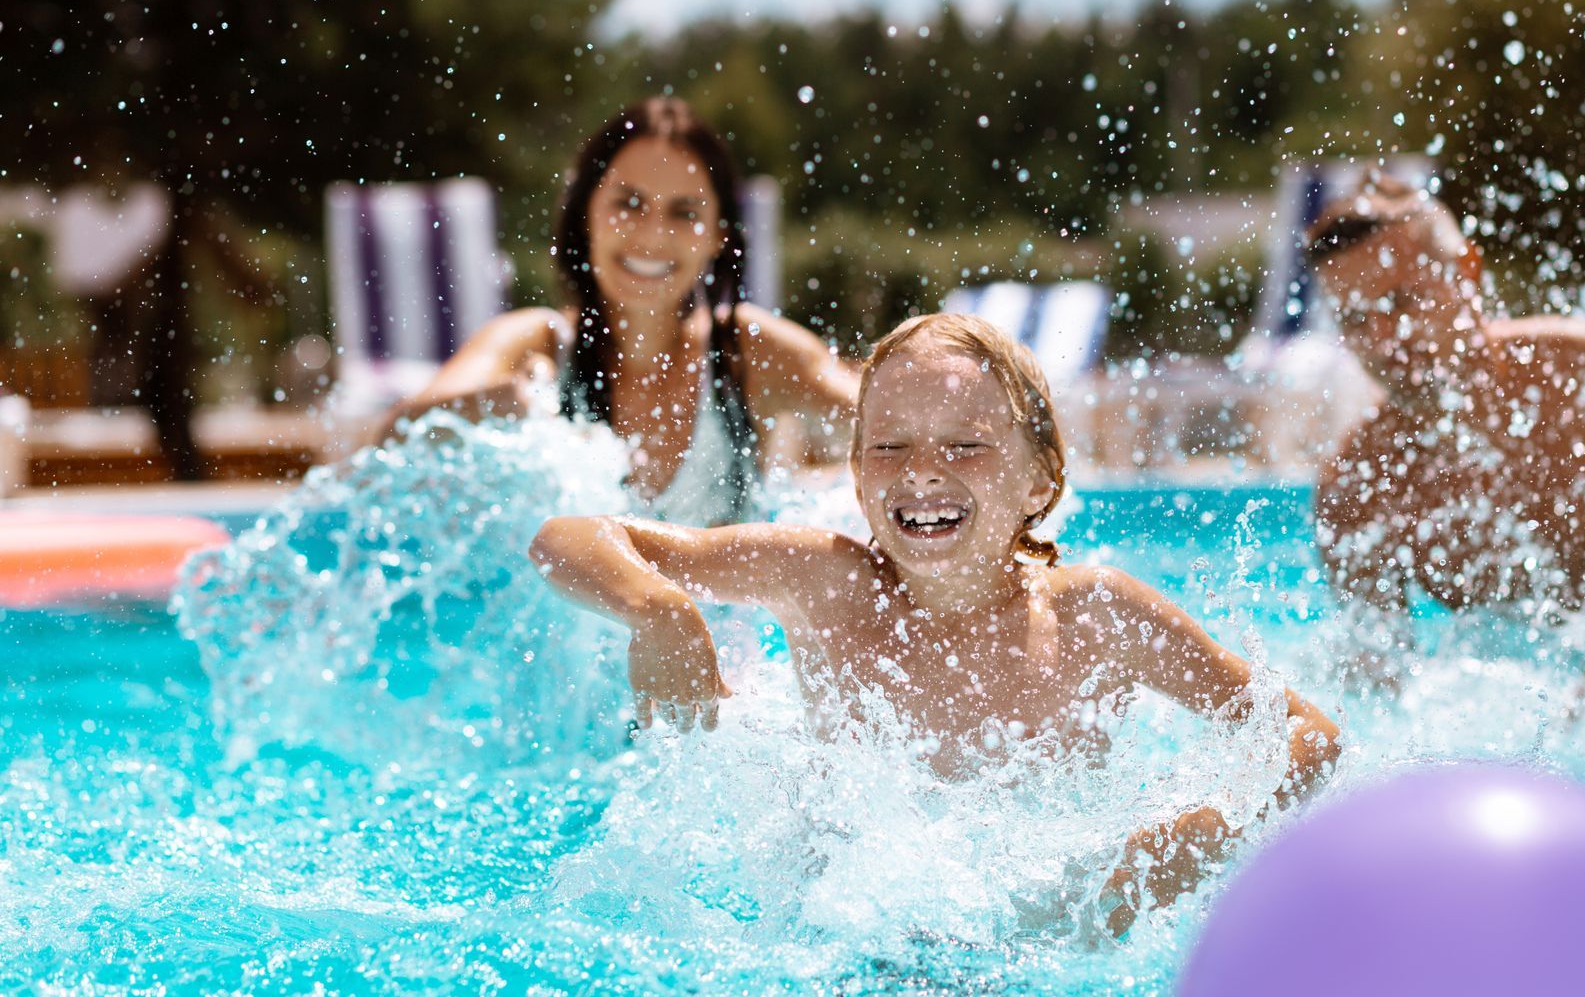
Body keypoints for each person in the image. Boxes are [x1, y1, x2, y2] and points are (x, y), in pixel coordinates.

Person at [528, 312, 1341, 934]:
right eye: (888, 446)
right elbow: (569, 537)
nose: (922, 471)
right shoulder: (825, 584)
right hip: (844, 950)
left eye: (966, 445)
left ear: (1039, 478)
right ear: (853, 472)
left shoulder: (1099, 617)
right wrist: (658, 610)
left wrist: (1192, 842)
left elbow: (1307, 734)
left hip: (1048, 956)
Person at [391, 97, 857, 524]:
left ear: (718, 234)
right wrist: (496, 403)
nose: (652, 235)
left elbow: (892, 414)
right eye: (629, 204)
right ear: (585, 212)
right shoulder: (536, 346)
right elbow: (390, 439)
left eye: (684, 213)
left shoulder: (745, 352)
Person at [1305, 176, 1585, 631]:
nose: (1383, 339)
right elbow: (1372, 685)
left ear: (1467, 272)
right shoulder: (1360, 493)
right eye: (1355, 319)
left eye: (1402, 301)